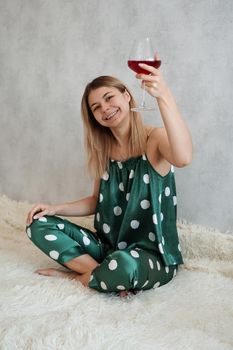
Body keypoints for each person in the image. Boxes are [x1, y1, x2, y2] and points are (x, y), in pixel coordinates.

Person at [26, 59, 192, 297]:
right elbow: (96, 201)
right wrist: (53, 208)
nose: (104, 108)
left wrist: (163, 95)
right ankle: (102, 274)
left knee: (123, 265)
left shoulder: (155, 140)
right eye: (95, 107)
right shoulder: (104, 151)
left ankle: (82, 277)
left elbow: (184, 157)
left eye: (108, 98)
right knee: (37, 223)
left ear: (126, 96)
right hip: (107, 249)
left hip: (152, 257)